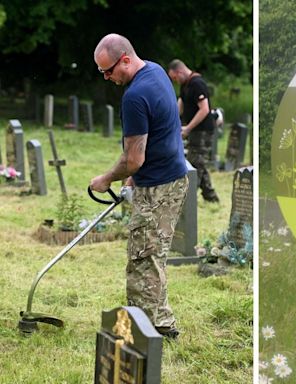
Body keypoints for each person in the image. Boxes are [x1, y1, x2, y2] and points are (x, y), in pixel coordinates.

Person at [90, 33, 188, 340]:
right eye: (101, 72)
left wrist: (106, 178)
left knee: (142, 261)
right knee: (154, 255)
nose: (107, 77)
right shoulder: (157, 71)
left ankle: (141, 337)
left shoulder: (134, 97)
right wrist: (134, 175)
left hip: (158, 188)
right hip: (172, 178)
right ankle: (164, 324)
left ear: (126, 60)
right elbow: (161, 131)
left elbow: (133, 158)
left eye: (109, 70)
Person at [167, 59, 220, 203]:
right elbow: (181, 103)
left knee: (195, 163)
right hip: (194, 131)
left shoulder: (197, 84)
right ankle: (211, 197)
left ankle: (187, 200)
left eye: (175, 78)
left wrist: (188, 128)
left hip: (203, 131)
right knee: (199, 163)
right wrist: (172, 121)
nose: (175, 81)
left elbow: (204, 109)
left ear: (180, 71)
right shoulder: (186, 84)